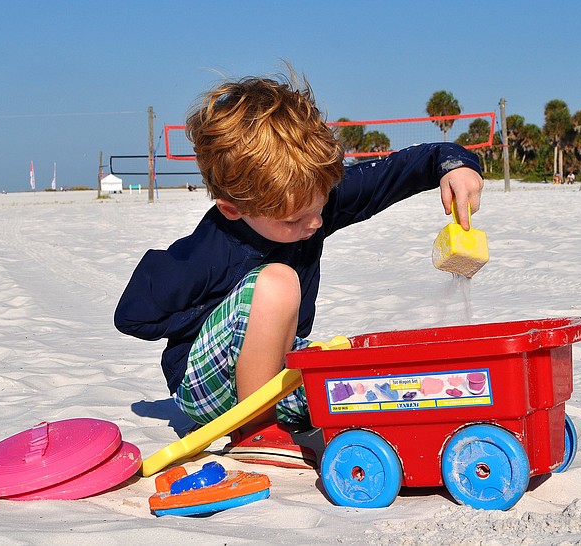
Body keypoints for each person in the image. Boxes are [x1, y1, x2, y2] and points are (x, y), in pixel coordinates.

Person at [114, 70, 484, 468]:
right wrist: (211, 317)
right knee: (277, 282)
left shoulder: (311, 199)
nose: (314, 225)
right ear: (234, 209)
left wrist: (453, 164)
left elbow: (394, 172)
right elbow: (132, 316)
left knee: (352, 376)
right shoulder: (210, 247)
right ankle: (255, 431)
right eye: (293, 221)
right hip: (204, 385)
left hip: (278, 367)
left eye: (320, 208)